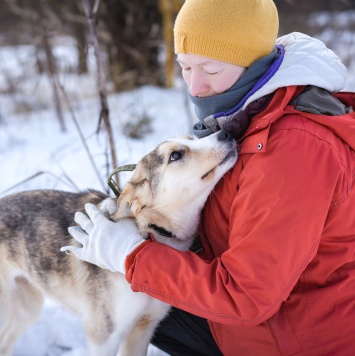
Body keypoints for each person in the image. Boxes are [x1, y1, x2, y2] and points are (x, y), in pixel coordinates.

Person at [61, 0, 355, 354]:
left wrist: (132, 256)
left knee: (140, 292)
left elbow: (247, 297)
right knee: (136, 295)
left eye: (210, 69)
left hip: (290, 340)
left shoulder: (295, 148)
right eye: (185, 67)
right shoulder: (246, 114)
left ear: (253, 64)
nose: (195, 86)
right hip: (266, 319)